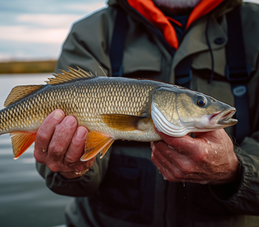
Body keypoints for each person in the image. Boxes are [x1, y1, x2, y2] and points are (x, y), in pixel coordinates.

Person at [34, 0, 259, 226]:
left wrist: (235, 171)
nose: (205, 106)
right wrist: (72, 169)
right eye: (200, 102)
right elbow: (71, 180)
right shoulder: (92, 31)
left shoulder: (254, 25)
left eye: (199, 102)